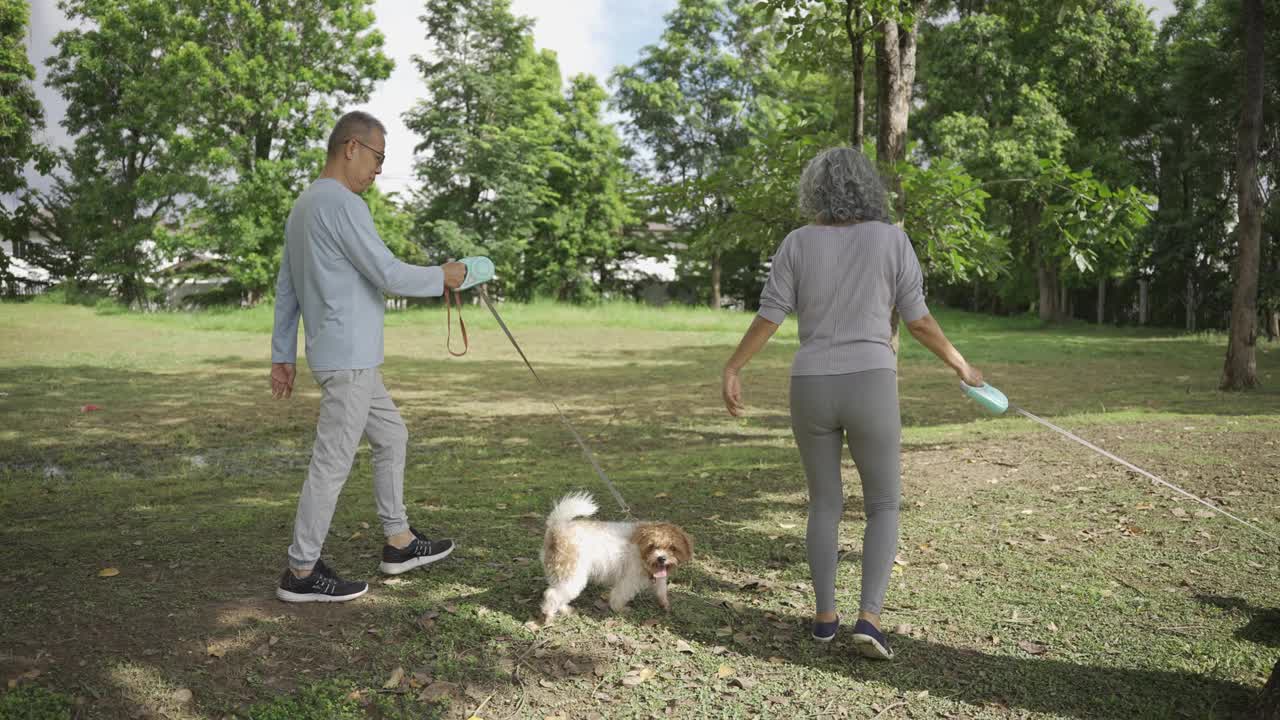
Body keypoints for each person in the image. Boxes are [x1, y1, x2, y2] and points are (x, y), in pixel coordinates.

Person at [720, 147, 984, 659]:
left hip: (811, 386)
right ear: (869, 188)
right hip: (871, 384)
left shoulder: (796, 243)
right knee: (883, 504)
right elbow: (919, 321)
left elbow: (769, 317)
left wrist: (734, 367)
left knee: (824, 503)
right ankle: (869, 619)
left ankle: (824, 620)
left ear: (814, 190)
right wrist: (961, 366)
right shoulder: (893, 239)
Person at [269, 111, 466, 603]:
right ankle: (301, 570)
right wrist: (444, 275)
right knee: (332, 461)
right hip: (349, 358)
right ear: (352, 148)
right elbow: (388, 274)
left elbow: (286, 288)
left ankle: (399, 542)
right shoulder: (343, 204)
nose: (379, 169)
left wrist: (282, 355)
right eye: (378, 157)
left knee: (392, 435)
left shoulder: (304, 205)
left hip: (345, 357)